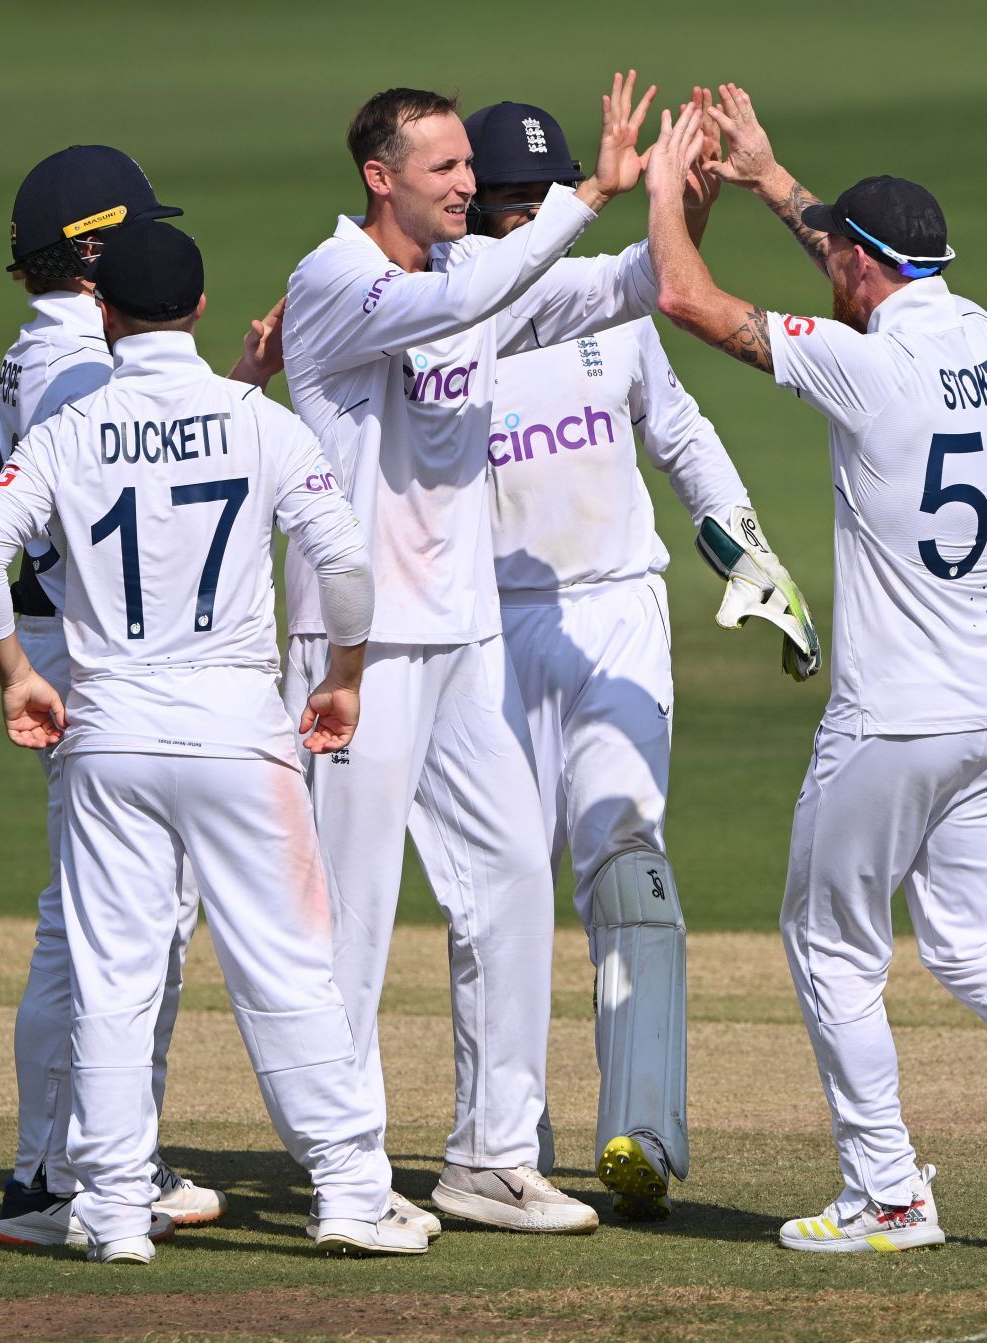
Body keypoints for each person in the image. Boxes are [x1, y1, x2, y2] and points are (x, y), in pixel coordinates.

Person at [643, 90, 987, 1254]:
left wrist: (664, 199)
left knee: (830, 940)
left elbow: (686, 298)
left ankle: (888, 1194)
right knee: (977, 937)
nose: (824, 252)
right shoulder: (985, 334)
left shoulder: (862, 368)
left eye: (834, 244)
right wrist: (783, 185)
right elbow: (861, 268)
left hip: (895, 718)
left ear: (864, 270)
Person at [0, 220, 425, 1261]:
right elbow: (343, 563)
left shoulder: (73, 425)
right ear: (202, 308)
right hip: (236, 735)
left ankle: (115, 1210)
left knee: (115, 975)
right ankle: (349, 1190)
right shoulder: (255, 419)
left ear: (105, 313)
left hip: (109, 734)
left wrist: (17, 673)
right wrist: (345, 676)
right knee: (290, 966)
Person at [276, 74, 674, 1235]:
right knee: (348, 912)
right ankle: (347, 1173)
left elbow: (616, 287)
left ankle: (491, 1154)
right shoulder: (334, 281)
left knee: (508, 875)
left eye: (466, 166)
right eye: (444, 168)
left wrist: (676, 202)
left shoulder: (466, 278)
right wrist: (588, 191)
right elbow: (499, 283)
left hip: (462, 635)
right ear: (379, 176)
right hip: (356, 644)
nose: (467, 184)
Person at [463, 94, 817, 1220]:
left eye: (535, 199)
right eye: (503, 204)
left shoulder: (610, 308)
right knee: (497, 891)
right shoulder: (438, 315)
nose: (518, 222)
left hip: (615, 611)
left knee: (628, 858)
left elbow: (679, 433)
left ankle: (643, 1129)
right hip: (487, 630)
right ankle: (505, 1139)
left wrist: (748, 551)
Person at [0, 145, 224, 1244]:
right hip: (94, 660)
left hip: (74, 649)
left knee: (98, 919)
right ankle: (67, 1166)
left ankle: (82, 1156)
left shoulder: (44, 349)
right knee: (107, 923)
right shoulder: (86, 364)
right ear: (91, 256)